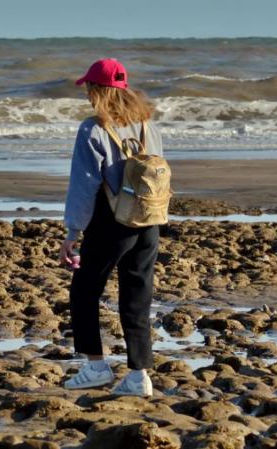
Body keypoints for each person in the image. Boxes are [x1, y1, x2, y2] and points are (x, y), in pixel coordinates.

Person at [59, 58, 163, 396]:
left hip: (112, 221)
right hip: (148, 220)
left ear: (96, 90)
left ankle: (96, 367)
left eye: (89, 88)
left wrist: (73, 232)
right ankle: (139, 376)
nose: (87, 94)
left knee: (85, 290)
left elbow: (85, 185)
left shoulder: (93, 129)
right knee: (137, 295)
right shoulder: (147, 124)